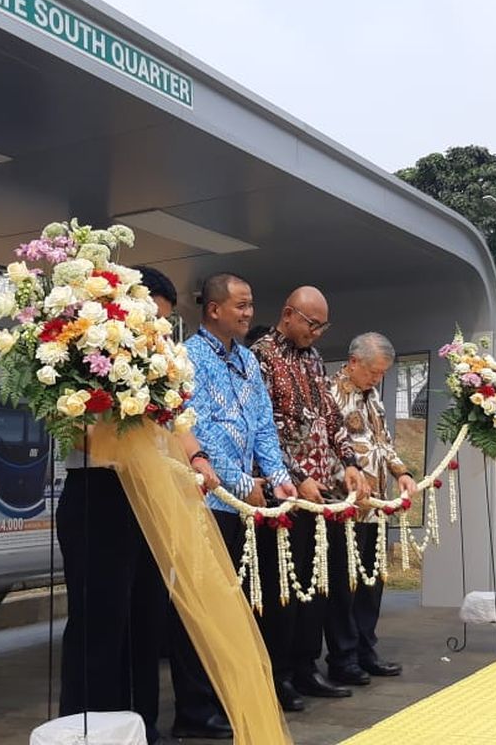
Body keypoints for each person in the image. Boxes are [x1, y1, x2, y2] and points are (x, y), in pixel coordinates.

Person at [57, 266, 229, 744]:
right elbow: (75, 429)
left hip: (150, 494)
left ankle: (142, 727)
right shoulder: (84, 349)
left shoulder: (157, 360)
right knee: (100, 623)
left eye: (164, 321)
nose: (157, 328)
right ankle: (88, 729)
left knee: (145, 618)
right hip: (99, 493)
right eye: (152, 315)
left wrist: (195, 455)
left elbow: (174, 418)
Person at [184, 273, 302, 711]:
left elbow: (263, 426)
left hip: (247, 504)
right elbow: (199, 428)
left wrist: (277, 476)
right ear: (215, 309)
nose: (249, 313)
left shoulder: (250, 362)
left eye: (251, 305)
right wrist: (239, 483)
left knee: (239, 604)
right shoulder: (188, 358)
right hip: (210, 501)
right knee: (206, 606)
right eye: (241, 305)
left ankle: (229, 695)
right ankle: (196, 707)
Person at [251, 286, 370, 702]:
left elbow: (331, 418)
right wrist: (297, 475)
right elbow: (264, 430)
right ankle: (278, 673)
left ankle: (307, 666)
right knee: (283, 587)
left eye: (323, 327)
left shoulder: (314, 359)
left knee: (317, 584)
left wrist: (350, 463)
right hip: (285, 493)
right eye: (312, 324)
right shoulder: (261, 356)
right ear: (288, 314)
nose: (317, 334)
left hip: (323, 492)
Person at [324, 333, 417, 684]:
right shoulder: (331, 395)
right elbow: (327, 449)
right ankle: (342, 657)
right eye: (373, 372)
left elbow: (383, 442)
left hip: (377, 505)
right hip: (345, 506)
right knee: (344, 585)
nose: (377, 379)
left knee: (372, 582)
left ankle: (366, 648)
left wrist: (402, 472)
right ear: (353, 362)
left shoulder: (372, 396)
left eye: (382, 374)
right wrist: (349, 480)